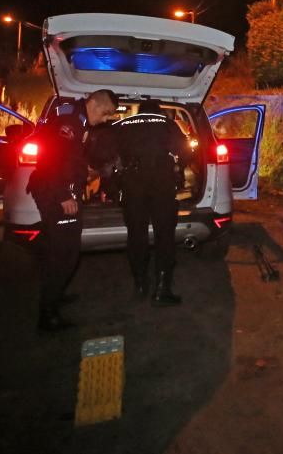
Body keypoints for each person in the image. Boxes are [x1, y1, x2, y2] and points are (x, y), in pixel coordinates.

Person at [27, 89, 119, 331]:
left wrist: (84, 171)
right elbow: (52, 159)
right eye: (106, 113)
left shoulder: (77, 120)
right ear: (95, 104)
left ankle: (54, 296)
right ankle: (48, 316)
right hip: (56, 195)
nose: (106, 119)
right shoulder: (69, 123)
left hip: (56, 191)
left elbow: (69, 158)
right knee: (65, 255)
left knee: (55, 250)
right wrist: (63, 194)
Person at [114, 99, 191, 305]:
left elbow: (107, 153)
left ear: (139, 110)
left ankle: (140, 284)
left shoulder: (124, 125)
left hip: (133, 183)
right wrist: (178, 166)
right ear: (158, 110)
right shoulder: (167, 123)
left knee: (136, 234)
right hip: (161, 182)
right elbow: (186, 152)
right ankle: (161, 289)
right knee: (164, 234)